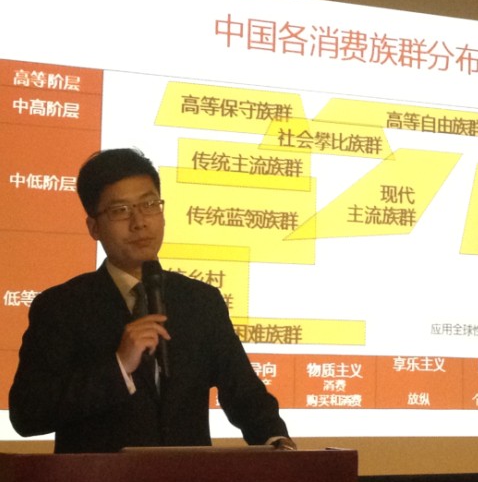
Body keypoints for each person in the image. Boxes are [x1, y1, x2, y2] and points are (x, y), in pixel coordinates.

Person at [9, 148, 296, 453]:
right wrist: (119, 366)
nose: (139, 222)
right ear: (94, 227)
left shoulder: (201, 302)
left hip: (188, 474)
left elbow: (245, 393)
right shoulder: (61, 307)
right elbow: (28, 414)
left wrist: (276, 441)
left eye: (149, 205)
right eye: (120, 210)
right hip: (100, 475)